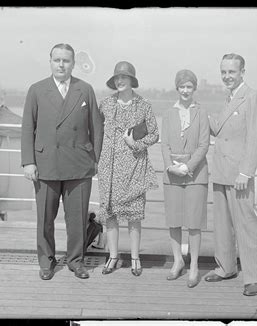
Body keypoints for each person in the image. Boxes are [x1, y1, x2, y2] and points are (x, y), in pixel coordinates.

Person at [21, 43, 104, 280]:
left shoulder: (85, 89)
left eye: (66, 60)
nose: (61, 64)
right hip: (45, 164)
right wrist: (29, 161)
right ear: (50, 62)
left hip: (79, 165)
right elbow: (27, 128)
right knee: (45, 218)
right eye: (57, 60)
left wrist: (95, 160)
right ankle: (46, 262)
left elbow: (96, 128)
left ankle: (76, 261)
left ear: (73, 64)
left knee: (77, 219)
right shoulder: (36, 90)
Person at [205, 53, 257, 296]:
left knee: (246, 224)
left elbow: (256, 138)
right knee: (222, 225)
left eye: (231, 72)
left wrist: (246, 172)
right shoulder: (228, 98)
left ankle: (254, 276)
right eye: (223, 72)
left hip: (239, 174)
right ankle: (226, 267)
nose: (227, 76)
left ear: (242, 72)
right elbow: (219, 128)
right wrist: (195, 112)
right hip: (221, 170)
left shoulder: (252, 97)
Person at [97, 61, 159, 277]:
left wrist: (137, 144)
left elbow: (154, 134)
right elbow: (96, 132)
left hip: (134, 165)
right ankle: (113, 256)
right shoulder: (105, 104)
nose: (120, 81)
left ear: (132, 80)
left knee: (134, 215)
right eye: (117, 78)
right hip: (109, 167)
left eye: (124, 77)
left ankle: (134, 257)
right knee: (110, 214)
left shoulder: (143, 105)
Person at [161, 70, 209, 288]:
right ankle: (177, 261)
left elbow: (203, 145)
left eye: (190, 87)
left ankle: (194, 266)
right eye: (182, 87)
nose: (186, 90)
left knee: (194, 223)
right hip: (172, 175)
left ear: (194, 89)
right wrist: (171, 167)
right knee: (174, 220)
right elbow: (164, 145)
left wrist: (188, 167)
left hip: (196, 175)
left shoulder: (202, 113)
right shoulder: (169, 113)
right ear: (177, 88)